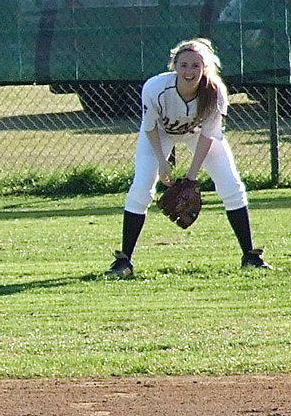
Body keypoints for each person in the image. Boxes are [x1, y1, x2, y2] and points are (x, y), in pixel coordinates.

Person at [106, 37, 271, 278]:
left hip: (197, 135)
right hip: (159, 134)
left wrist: (192, 178)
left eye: (195, 65)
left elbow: (208, 136)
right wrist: (163, 163)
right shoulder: (155, 88)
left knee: (231, 185)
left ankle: (251, 256)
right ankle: (124, 262)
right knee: (141, 188)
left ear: (205, 67)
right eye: (183, 65)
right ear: (175, 66)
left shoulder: (215, 91)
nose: (189, 71)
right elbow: (150, 127)